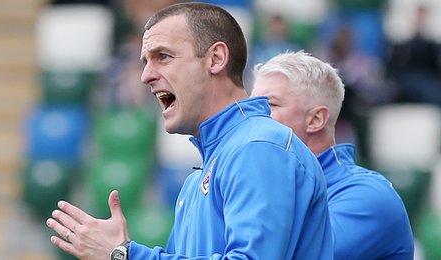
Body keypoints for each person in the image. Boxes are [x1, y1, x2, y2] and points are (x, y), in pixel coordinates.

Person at [46, 3, 333, 259]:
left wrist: (125, 255)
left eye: (164, 57)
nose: (146, 75)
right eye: (145, 61)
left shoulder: (258, 147)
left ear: (216, 58)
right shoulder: (198, 179)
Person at [251, 51, 414, 259]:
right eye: (251, 106)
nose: (252, 117)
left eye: (269, 105)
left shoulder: (368, 196)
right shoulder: (263, 187)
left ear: (316, 119)